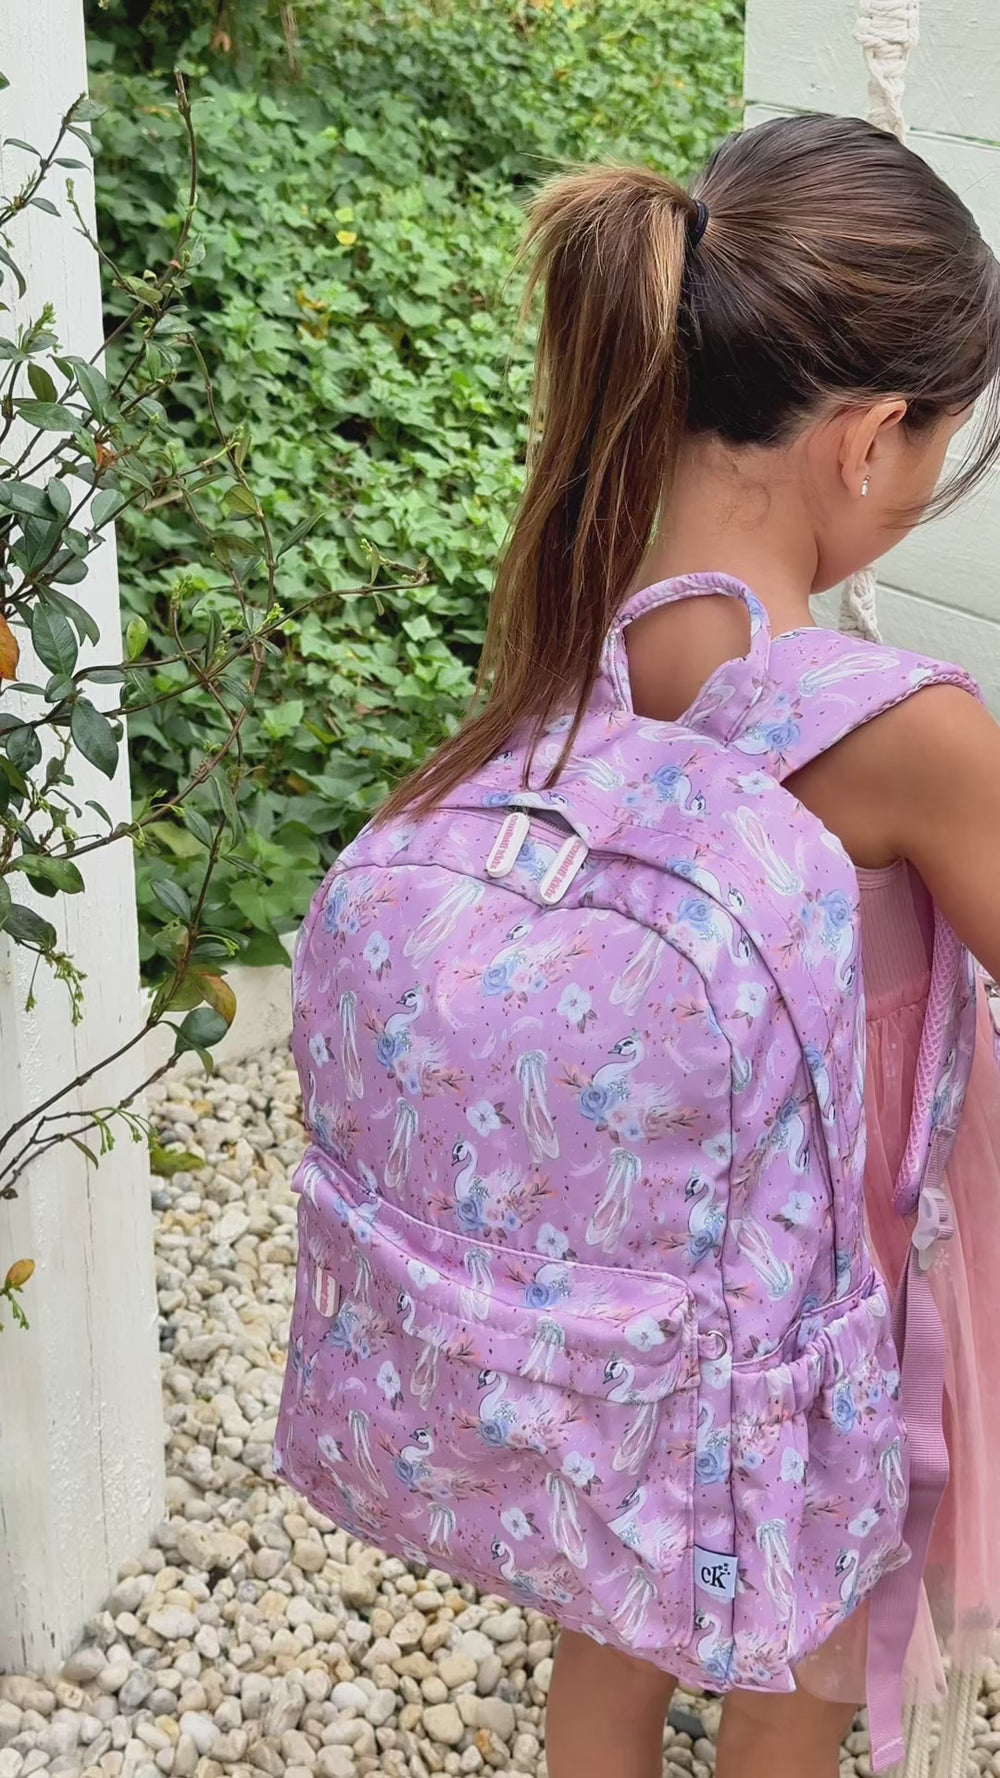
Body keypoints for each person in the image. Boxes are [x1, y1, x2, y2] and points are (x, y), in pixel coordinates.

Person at [277, 115, 1000, 1778]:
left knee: (611, 1620)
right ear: (868, 441)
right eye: (939, 448)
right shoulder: (900, 732)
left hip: (612, 1330)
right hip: (805, 1341)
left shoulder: (574, 641)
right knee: (799, 1666)